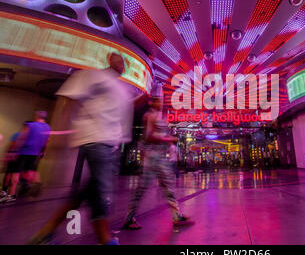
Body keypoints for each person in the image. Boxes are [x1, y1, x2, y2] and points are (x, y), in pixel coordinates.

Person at [28, 53, 133, 245]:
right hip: (95, 140)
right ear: (108, 59)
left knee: (85, 193)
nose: (121, 63)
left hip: (110, 145)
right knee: (101, 191)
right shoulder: (92, 76)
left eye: (123, 61)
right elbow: (68, 99)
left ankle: (46, 233)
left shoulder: (121, 89)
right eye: (117, 58)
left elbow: (120, 119)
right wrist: (59, 135)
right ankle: (105, 239)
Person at [122, 96, 193, 230]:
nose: (160, 103)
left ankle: (176, 216)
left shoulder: (157, 117)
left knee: (167, 186)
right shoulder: (149, 116)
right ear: (152, 102)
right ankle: (129, 218)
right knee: (144, 189)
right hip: (152, 158)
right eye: (157, 100)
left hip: (158, 158)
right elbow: (149, 136)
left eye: (161, 100)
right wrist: (169, 139)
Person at [4, 113, 51, 201]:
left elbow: (22, 137)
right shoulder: (48, 127)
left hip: (24, 151)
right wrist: (43, 152)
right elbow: (46, 141)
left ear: (36, 116)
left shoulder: (30, 125)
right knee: (32, 171)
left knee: (16, 172)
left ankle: (12, 194)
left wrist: (15, 151)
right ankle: (36, 187)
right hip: (35, 153)